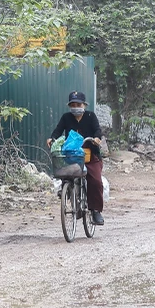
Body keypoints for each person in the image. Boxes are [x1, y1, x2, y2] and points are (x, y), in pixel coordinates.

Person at [47, 91, 105, 225]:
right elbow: (58, 130)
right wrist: (52, 138)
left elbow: (97, 130)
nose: (75, 106)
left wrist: (96, 138)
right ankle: (68, 192)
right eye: (72, 104)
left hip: (90, 154)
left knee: (95, 181)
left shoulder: (91, 116)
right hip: (72, 155)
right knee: (65, 174)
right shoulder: (66, 117)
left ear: (84, 105)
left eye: (78, 104)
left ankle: (95, 210)